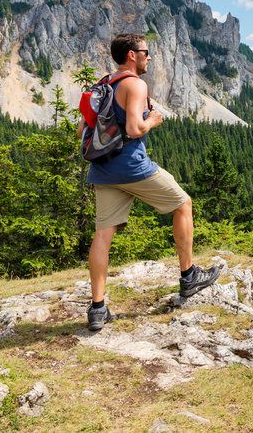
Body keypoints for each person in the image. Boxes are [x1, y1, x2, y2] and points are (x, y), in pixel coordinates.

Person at [78, 32, 219, 331]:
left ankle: (98, 309)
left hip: (102, 171)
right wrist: (152, 121)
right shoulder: (135, 84)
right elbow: (134, 126)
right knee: (183, 204)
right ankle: (189, 276)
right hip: (132, 167)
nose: (149, 57)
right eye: (145, 52)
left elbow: (83, 130)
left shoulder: (103, 84)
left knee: (103, 235)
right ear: (132, 55)